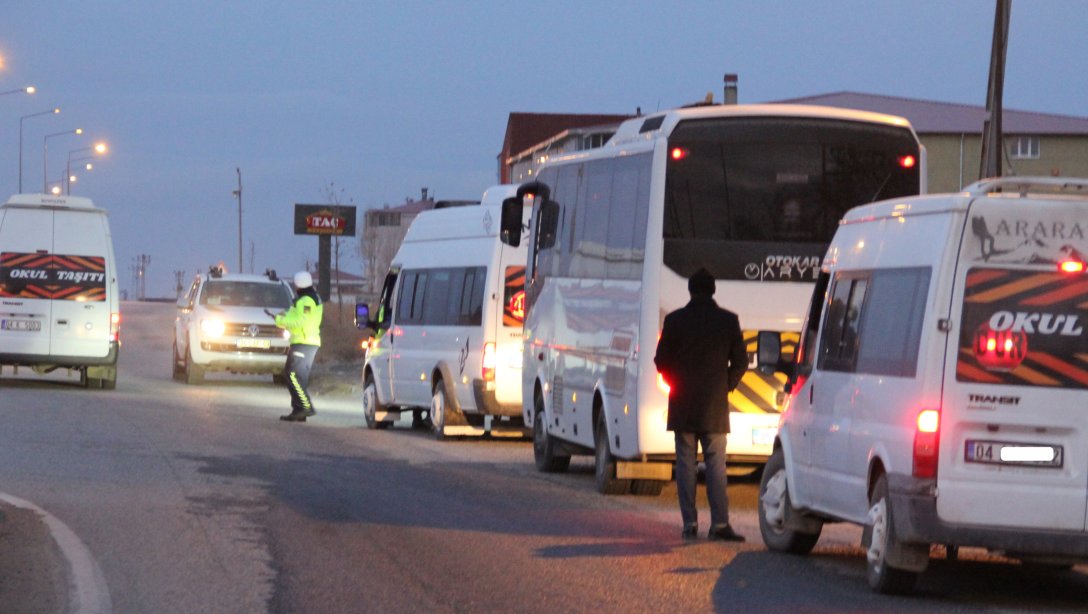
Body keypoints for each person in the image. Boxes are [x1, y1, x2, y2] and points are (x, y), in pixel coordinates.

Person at [654, 267, 747, 542]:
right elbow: (741, 361)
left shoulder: (675, 320)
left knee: (685, 463)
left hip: (683, 403)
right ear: (713, 290)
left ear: (690, 290)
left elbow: (661, 361)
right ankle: (719, 524)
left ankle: (690, 522)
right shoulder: (728, 321)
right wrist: (726, 386)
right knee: (716, 464)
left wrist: (675, 383)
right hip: (714, 406)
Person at [271, 271, 324, 422]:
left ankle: (305, 406)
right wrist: (283, 316)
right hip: (302, 342)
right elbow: (296, 316)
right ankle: (298, 410)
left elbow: (300, 321)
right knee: (293, 375)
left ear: (297, 284)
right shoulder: (306, 298)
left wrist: (280, 321)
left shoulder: (306, 300)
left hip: (305, 342)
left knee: (293, 375)